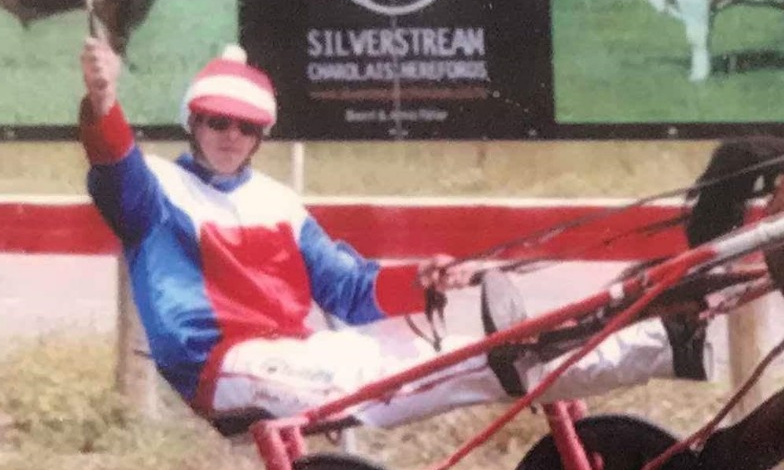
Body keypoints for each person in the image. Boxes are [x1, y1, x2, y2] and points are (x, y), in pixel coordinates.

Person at [77, 35, 707, 431]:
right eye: (216, 121)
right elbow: (114, 171)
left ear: (261, 136)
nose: (229, 136)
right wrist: (104, 102)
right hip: (220, 366)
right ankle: (633, 346)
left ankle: (661, 340)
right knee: (457, 368)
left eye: (245, 127)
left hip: (302, 355)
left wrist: (422, 280)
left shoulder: (279, 202)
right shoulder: (154, 190)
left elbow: (349, 292)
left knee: (472, 352)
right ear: (193, 120)